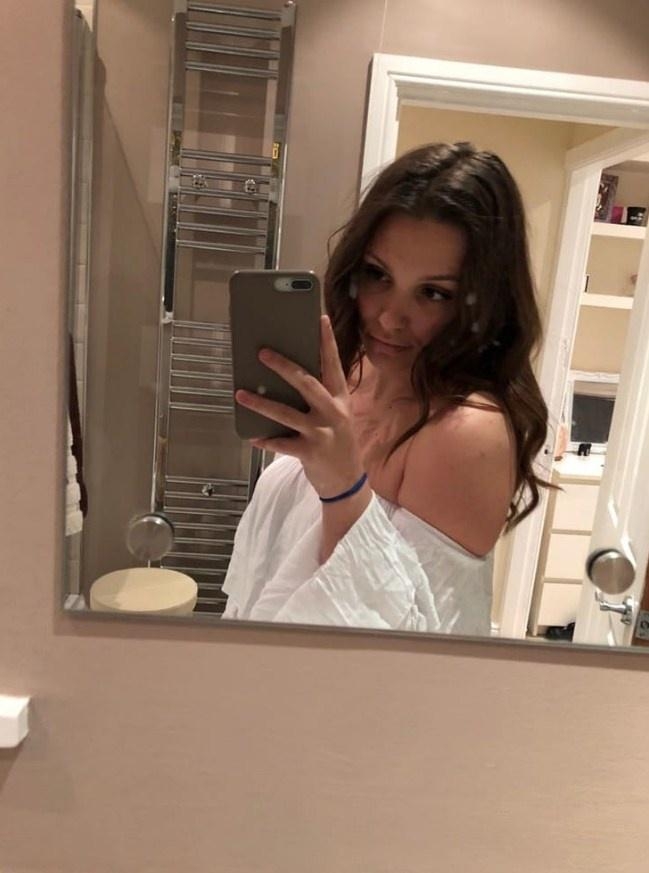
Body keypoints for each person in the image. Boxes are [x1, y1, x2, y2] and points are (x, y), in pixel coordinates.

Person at [221, 142, 549, 635]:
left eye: (434, 293)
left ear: (483, 304)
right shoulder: (353, 369)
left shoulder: (465, 434)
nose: (390, 318)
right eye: (377, 275)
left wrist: (343, 486)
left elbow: (409, 650)